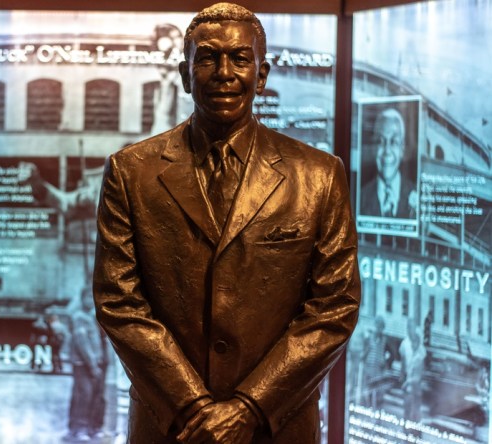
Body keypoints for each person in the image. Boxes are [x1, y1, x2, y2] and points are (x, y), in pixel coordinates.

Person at [93, 4, 361, 443]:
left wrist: (249, 406)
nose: (223, 72)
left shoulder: (318, 175)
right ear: (184, 74)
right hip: (171, 426)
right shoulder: (131, 171)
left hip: (277, 425)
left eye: (239, 58)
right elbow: (119, 303)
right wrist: (194, 407)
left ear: (262, 74)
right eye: (207, 57)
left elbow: (334, 307)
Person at [66, 287, 108, 442]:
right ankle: (78, 429)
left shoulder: (91, 317)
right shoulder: (80, 317)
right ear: (82, 298)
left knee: (94, 396)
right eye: (88, 297)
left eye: (92, 297)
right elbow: (82, 344)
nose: (91, 300)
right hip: (82, 364)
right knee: (84, 395)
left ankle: (90, 428)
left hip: (93, 364)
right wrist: (93, 365)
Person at [359, 108, 416, 219]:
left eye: (394, 142)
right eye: (380, 141)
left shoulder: (416, 193)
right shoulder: (360, 197)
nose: (387, 151)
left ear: (402, 148)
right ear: (373, 148)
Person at [399, 319, 426, 423]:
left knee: (416, 407)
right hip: (407, 378)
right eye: (409, 327)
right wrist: (402, 378)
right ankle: (406, 429)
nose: (411, 330)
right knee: (407, 405)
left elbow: (422, 368)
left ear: (415, 329)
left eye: (413, 327)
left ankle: (415, 431)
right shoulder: (404, 344)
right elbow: (402, 362)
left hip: (416, 382)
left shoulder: (421, 348)